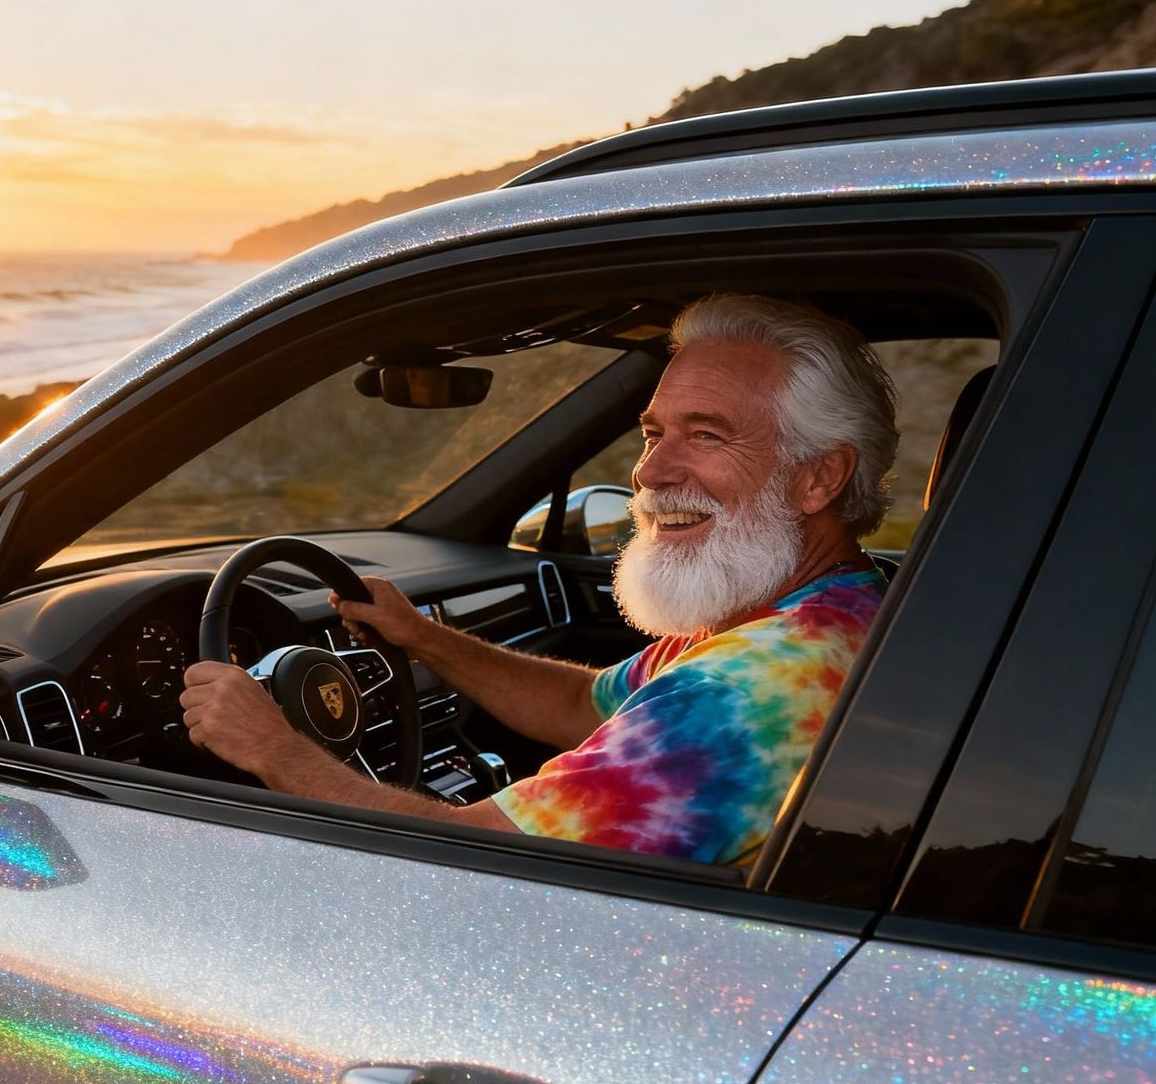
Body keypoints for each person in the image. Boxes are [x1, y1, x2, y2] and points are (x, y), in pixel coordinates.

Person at [180, 293, 898, 867]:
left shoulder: (748, 689)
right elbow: (588, 702)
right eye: (654, 434)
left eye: (708, 435)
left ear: (819, 476)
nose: (650, 473)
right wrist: (421, 638)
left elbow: (469, 858)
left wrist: (271, 749)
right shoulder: (826, 610)